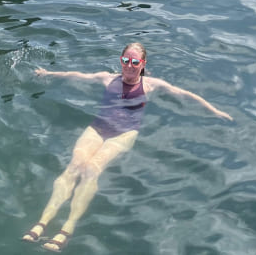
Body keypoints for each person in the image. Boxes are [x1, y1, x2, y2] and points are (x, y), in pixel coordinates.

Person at [23, 42, 232, 251]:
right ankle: (42, 222)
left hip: (124, 133)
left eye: (134, 62)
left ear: (143, 64)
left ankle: (67, 229)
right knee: (75, 164)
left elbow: (185, 94)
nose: (129, 66)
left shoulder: (151, 84)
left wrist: (214, 111)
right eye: (125, 61)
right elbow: (76, 75)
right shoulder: (107, 78)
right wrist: (48, 73)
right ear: (121, 61)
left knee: (91, 169)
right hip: (98, 127)